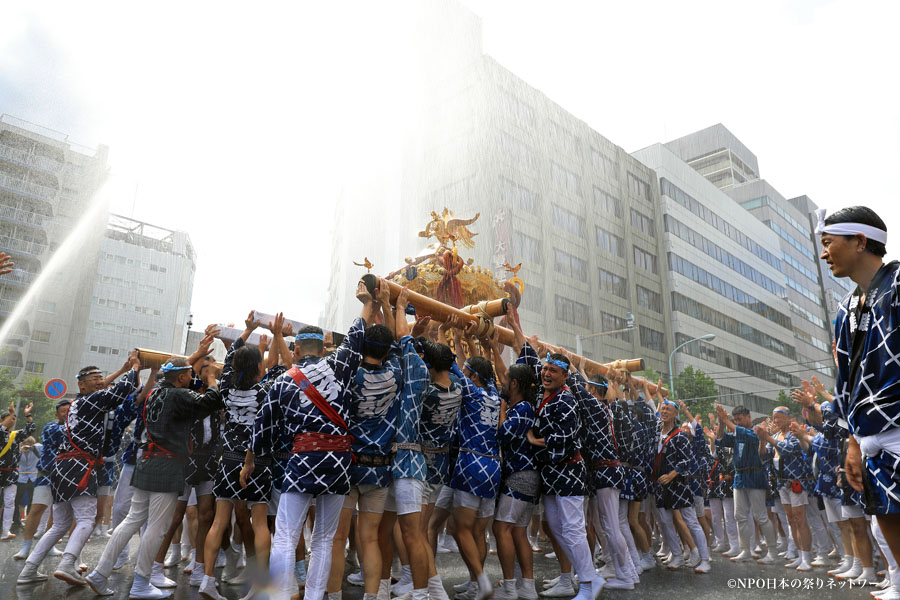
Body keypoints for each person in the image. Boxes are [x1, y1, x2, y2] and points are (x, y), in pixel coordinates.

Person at [245, 281, 377, 600]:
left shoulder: (283, 381)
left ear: (297, 349)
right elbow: (357, 334)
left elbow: (262, 426)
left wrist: (251, 461)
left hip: (301, 462)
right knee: (325, 538)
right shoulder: (341, 366)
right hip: (339, 465)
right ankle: (315, 597)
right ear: (323, 348)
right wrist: (368, 302)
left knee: (287, 537)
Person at [85, 357, 222, 600]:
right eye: (189, 375)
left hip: (146, 461)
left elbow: (185, 393)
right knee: (156, 528)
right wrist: (211, 380)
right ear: (180, 377)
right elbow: (211, 401)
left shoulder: (156, 391)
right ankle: (140, 584)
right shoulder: (179, 396)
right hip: (167, 464)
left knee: (131, 520)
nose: (192, 380)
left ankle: (100, 573)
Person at [818, 205, 900, 598]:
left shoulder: (899, 282)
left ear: (860, 241)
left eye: (828, 242)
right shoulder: (845, 310)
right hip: (870, 439)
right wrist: (853, 442)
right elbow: (845, 383)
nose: (823, 253)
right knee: (885, 519)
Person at [18, 357, 140, 586]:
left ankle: (28, 570)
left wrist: (122, 369)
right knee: (87, 519)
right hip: (79, 465)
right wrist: (134, 368)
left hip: (62, 466)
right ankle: (67, 564)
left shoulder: (79, 403)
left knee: (60, 524)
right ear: (81, 385)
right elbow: (125, 388)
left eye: (101, 378)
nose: (101, 382)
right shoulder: (91, 402)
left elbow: (104, 388)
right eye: (95, 379)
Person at [519, 337, 604, 600]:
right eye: (545, 369)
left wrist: (533, 439)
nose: (546, 373)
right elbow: (530, 361)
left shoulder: (565, 400)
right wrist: (515, 329)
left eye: (553, 371)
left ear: (565, 376)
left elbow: (564, 439)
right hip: (551, 475)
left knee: (573, 529)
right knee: (556, 527)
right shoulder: (543, 390)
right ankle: (573, 578)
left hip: (568, 473)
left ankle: (590, 583)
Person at [447, 321, 502, 600]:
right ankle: (475, 583)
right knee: (479, 532)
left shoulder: (470, 391)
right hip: (493, 467)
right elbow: (480, 369)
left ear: (474, 378)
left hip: (471, 465)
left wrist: (458, 342)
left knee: (459, 528)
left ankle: (481, 582)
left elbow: (455, 367)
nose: (465, 374)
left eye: (469, 373)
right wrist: (467, 340)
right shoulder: (495, 393)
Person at [715, 403, 778, 563]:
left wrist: (727, 421)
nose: (738, 422)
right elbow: (720, 439)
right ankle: (745, 550)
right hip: (739, 477)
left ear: (748, 417)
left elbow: (744, 433)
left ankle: (772, 552)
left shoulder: (755, 430)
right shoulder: (737, 432)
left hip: (755, 475)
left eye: (740, 419)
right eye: (735, 420)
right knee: (739, 516)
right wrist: (722, 422)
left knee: (761, 516)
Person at [653, 399, 710, 573]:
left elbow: (686, 461)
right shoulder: (656, 433)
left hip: (678, 485)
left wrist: (671, 475)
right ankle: (677, 555)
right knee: (664, 522)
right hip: (659, 485)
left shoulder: (680, 435)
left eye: (668, 409)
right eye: (662, 409)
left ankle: (705, 559)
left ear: (676, 413)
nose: (664, 412)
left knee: (691, 521)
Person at [755, 408, 814, 571]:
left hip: (797, 482)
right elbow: (764, 455)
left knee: (800, 518)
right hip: (781, 483)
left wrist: (769, 439)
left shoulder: (795, 434)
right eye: (774, 419)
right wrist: (762, 439)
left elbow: (787, 450)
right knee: (790, 519)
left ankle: (807, 557)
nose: (776, 421)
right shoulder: (774, 436)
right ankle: (799, 556)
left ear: (789, 418)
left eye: (779, 418)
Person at [14, 400, 70, 561]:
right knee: (36, 509)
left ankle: (50, 545)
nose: (66, 413)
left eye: (69, 410)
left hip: (66, 475)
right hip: (46, 474)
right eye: (62, 411)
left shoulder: (77, 428)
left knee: (56, 512)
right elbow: (60, 434)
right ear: (56, 414)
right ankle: (26, 547)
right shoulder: (50, 427)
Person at [0, 401, 35, 539]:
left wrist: (28, 415)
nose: (12, 421)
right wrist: (12, 412)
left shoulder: (15, 435)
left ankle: (5, 531)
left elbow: (30, 429)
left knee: (9, 502)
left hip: (12, 472)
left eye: (14, 419)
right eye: (10, 418)